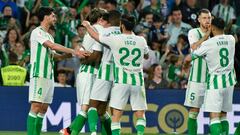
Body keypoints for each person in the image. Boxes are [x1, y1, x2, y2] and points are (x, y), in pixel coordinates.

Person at [82, 14, 149, 135]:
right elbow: (147, 55)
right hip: (138, 82)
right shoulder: (141, 40)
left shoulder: (116, 39)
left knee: (116, 116)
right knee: (140, 114)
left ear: (121, 26)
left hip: (121, 82)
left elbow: (95, 36)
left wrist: (87, 25)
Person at [26, 7, 88, 135]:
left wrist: (71, 55)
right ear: (46, 17)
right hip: (39, 73)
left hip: (49, 75)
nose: (55, 19)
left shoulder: (49, 35)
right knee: (36, 106)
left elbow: (55, 55)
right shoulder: (37, 32)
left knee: (44, 108)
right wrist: (73, 50)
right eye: (53, 16)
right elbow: (53, 46)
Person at [60, 8, 108, 135]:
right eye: (105, 17)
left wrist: (81, 51)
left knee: (94, 108)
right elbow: (92, 54)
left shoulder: (92, 31)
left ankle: (68, 131)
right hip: (88, 71)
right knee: (87, 107)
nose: (107, 20)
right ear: (100, 19)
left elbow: (83, 51)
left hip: (94, 72)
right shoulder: (98, 29)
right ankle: (70, 131)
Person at [192, 17, 236, 135]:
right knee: (224, 115)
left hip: (215, 83)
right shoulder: (231, 39)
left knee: (214, 117)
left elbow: (193, 52)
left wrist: (205, 37)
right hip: (230, 83)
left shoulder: (208, 43)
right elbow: (230, 37)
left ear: (212, 27)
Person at [81, 10, 121, 135]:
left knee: (89, 107)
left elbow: (96, 54)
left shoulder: (103, 32)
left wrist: (87, 26)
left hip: (102, 72)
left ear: (106, 20)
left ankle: (72, 132)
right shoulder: (126, 34)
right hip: (119, 75)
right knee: (104, 111)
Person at [184, 9, 211, 135]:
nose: (207, 20)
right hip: (197, 79)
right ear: (199, 19)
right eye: (204, 18)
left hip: (212, 79)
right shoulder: (193, 32)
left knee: (216, 112)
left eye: (209, 18)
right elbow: (194, 47)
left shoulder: (215, 33)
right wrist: (206, 36)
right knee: (194, 111)